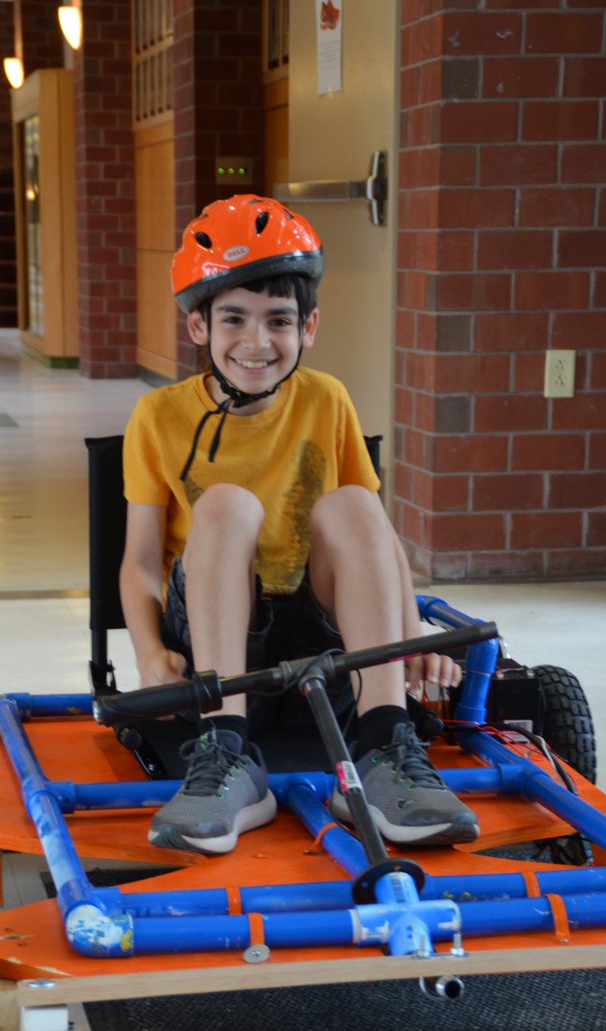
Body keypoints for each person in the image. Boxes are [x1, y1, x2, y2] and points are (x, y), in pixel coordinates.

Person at [120, 194, 479, 855]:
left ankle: (382, 749)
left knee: (350, 502)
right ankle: (224, 753)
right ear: (198, 327)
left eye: (278, 321)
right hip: (212, 634)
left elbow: (373, 535)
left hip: (321, 630)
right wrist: (148, 652)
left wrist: (406, 633)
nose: (257, 343)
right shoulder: (158, 417)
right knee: (225, 504)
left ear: (307, 327)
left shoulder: (326, 398)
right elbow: (141, 560)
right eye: (233, 319)